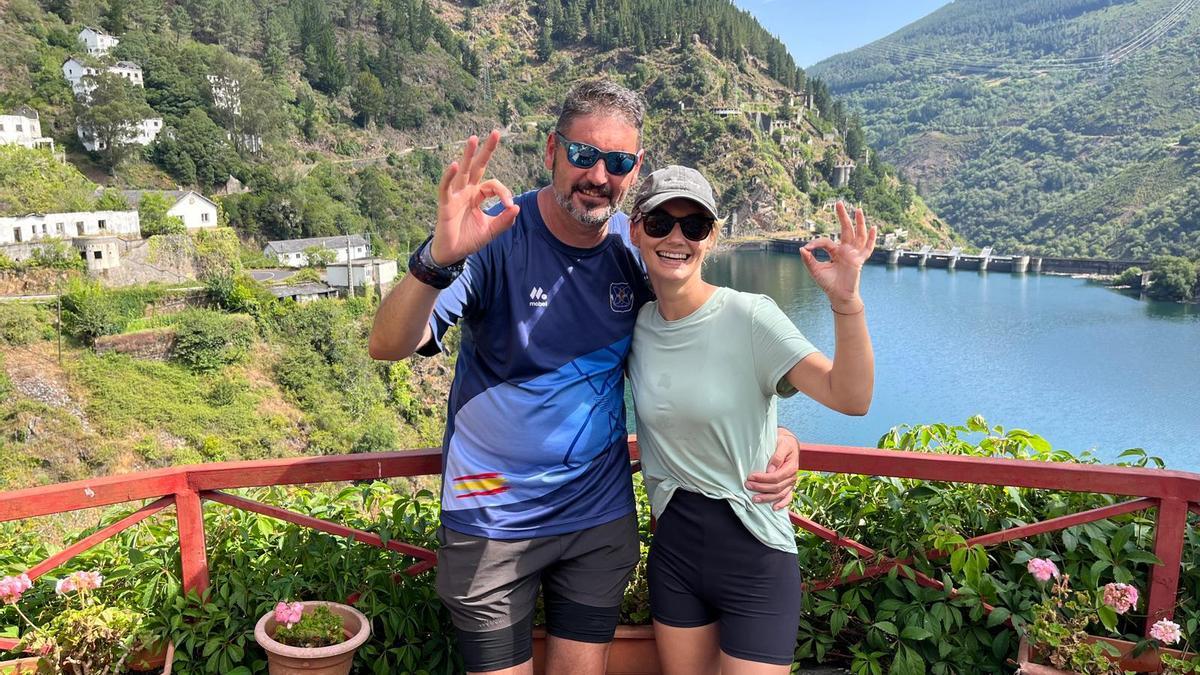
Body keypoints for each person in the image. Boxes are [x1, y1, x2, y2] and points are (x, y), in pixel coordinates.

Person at [367, 80, 802, 675]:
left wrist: (777, 433)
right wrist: (436, 261)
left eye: (617, 162)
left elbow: (704, 347)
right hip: (492, 514)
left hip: (596, 516)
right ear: (552, 150)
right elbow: (388, 345)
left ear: (634, 170)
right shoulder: (491, 234)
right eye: (583, 154)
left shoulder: (639, 248)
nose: (598, 175)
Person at [626, 165, 875, 674]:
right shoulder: (636, 326)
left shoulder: (750, 316)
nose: (676, 238)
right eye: (660, 223)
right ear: (636, 230)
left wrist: (846, 304)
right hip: (675, 554)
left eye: (694, 226)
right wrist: (783, 434)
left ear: (712, 238)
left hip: (755, 553)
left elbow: (851, 397)